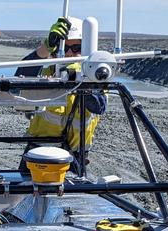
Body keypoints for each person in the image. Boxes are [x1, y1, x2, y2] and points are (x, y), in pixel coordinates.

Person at [15, 17, 107, 174]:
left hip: (74, 159)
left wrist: (81, 78)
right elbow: (19, 79)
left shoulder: (94, 77)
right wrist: (46, 47)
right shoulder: (45, 74)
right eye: (64, 48)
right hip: (38, 153)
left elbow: (99, 106)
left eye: (77, 48)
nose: (70, 53)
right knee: (22, 196)